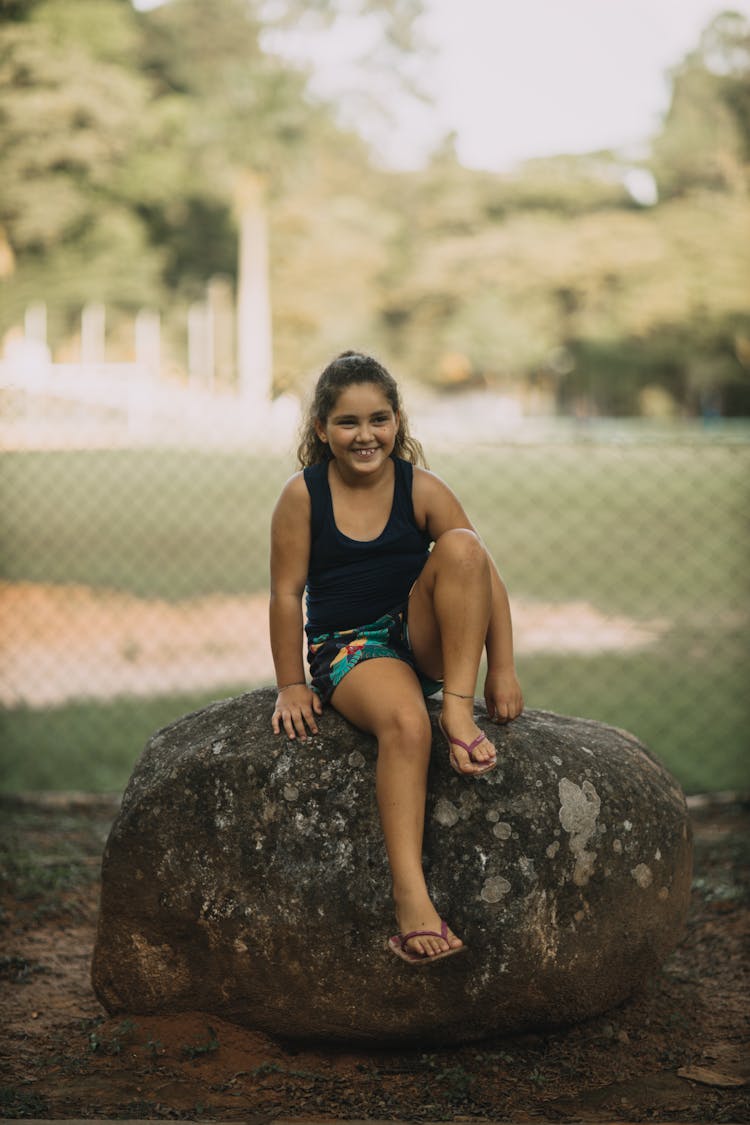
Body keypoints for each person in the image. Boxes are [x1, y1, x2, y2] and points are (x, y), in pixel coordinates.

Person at [269, 351, 523, 964]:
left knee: (465, 547)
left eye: (378, 419)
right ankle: (412, 899)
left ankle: (456, 713)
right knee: (407, 726)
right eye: (348, 423)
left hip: (417, 633)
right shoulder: (303, 497)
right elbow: (285, 593)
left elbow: (483, 578)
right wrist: (290, 684)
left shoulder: (423, 488)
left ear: (398, 420)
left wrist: (505, 668)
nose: (365, 436)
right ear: (321, 428)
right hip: (352, 646)